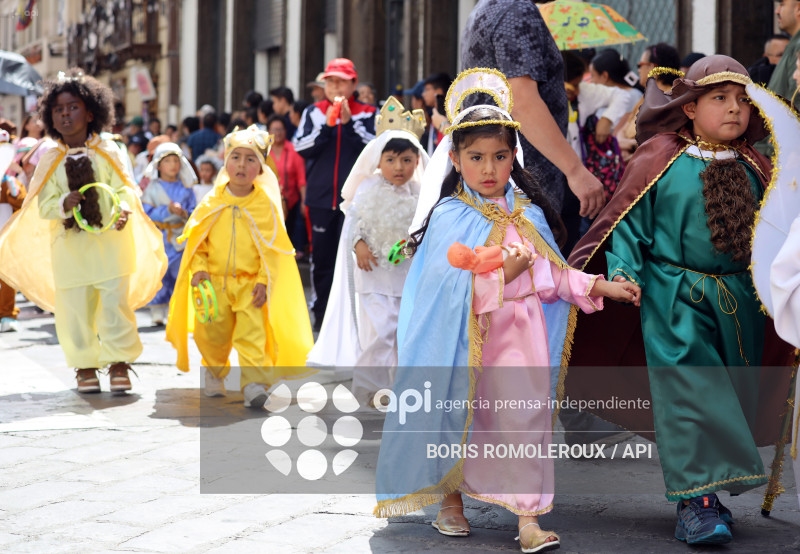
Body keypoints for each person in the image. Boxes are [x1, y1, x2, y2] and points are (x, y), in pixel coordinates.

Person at [374, 69, 640, 553]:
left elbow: (553, 277)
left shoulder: (529, 215)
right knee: (461, 416)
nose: (489, 168)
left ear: (514, 156)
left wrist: (602, 285)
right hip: (466, 348)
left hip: (522, 345)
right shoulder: (450, 218)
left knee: (525, 424)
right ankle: (450, 502)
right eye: (476, 157)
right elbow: (446, 298)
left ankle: (528, 517)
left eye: (500, 156)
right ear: (455, 159)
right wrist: (506, 278)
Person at [565, 55, 796, 546]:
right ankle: (698, 505)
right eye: (719, 99)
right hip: (674, 297)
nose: (734, 109)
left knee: (727, 396)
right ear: (689, 107)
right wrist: (623, 271)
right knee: (693, 391)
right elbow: (627, 222)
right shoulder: (660, 158)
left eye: (741, 100)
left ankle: (709, 496)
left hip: (741, 302)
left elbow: (779, 234)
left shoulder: (758, 166)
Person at [0, 68, 167, 393]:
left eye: (72, 107)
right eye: (58, 110)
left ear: (91, 112)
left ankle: (120, 362)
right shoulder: (50, 159)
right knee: (74, 309)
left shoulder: (110, 149)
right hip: (70, 250)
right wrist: (64, 201)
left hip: (111, 246)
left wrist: (123, 208)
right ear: (50, 115)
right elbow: (41, 205)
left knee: (114, 305)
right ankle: (84, 366)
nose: (65, 115)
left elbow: (127, 189)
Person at [165, 125, 314, 407]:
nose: (241, 165)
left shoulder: (265, 206)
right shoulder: (211, 201)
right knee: (212, 332)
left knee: (253, 333)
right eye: (235, 157)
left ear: (261, 168)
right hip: (214, 283)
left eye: (250, 159)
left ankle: (254, 384)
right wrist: (199, 269)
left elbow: (271, 249)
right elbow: (199, 242)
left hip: (250, 284)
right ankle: (214, 369)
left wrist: (263, 280)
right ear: (226, 161)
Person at [307, 97, 429, 402]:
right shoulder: (367, 188)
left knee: (404, 334)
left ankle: (400, 387)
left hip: (406, 276)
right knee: (380, 332)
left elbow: (426, 230)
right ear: (377, 161)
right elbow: (354, 223)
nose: (398, 167)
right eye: (390, 160)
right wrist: (359, 245)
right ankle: (370, 387)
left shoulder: (421, 193)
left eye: (406, 160)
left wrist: (413, 246)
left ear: (417, 160)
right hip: (373, 274)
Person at [462, 0, 606, 221]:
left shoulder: (487, 6)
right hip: (522, 185)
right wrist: (575, 170)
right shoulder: (515, 9)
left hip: (502, 181)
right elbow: (521, 102)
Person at [293, 58, 377, 330]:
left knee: (357, 260)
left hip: (357, 202)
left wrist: (349, 123)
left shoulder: (368, 112)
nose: (335, 86)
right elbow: (302, 147)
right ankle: (322, 317)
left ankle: (354, 319)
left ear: (354, 83)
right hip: (320, 200)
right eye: (330, 81)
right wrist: (330, 127)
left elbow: (376, 148)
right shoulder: (314, 112)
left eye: (341, 81)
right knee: (323, 260)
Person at [140, 142, 198, 326]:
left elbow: (195, 211)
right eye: (168, 161)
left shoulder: (186, 189)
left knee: (179, 274)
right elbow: (146, 213)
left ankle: (177, 309)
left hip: (180, 238)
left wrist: (183, 213)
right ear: (159, 165)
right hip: (160, 237)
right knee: (160, 274)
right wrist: (167, 211)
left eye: (176, 160)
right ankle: (157, 311)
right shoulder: (152, 189)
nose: (173, 165)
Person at [267, 115, 306, 256]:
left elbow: (302, 178)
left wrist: (303, 200)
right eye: (274, 129)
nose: (277, 133)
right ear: (268, 131)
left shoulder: (293, 149)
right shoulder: (264, 151)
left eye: (280, 129)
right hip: (269, 200)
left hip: (292, 199)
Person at [0, 130, 26, 333]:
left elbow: (22, 203)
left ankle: (7, 313)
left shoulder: (9, 183)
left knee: (7, 277)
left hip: (6, 236)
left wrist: (11, 188)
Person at [769, 0, 800, 108]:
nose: (777, 11)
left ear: (799, 8)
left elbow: (796, 101)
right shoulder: (794, 43)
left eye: (782, 5)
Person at [420, 72, 452, 156]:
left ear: (439, 92)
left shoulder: (451, 116)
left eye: (427, 89)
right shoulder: (434, 114)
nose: (423, 94)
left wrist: (443, 125)